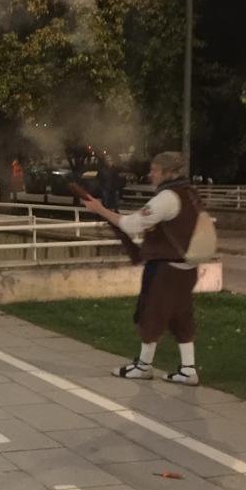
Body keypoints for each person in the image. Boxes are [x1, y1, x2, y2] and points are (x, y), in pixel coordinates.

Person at [83, 152, 202, 385]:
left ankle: (143, 366)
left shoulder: (167, 197)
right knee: (181, 316)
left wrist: (100, 210)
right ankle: (188, 369)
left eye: (155, 170)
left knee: (151, 313)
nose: (151, 174)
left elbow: (132, 224)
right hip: (187, 267)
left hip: (166, 268)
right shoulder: (190, 193)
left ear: (169, 172)